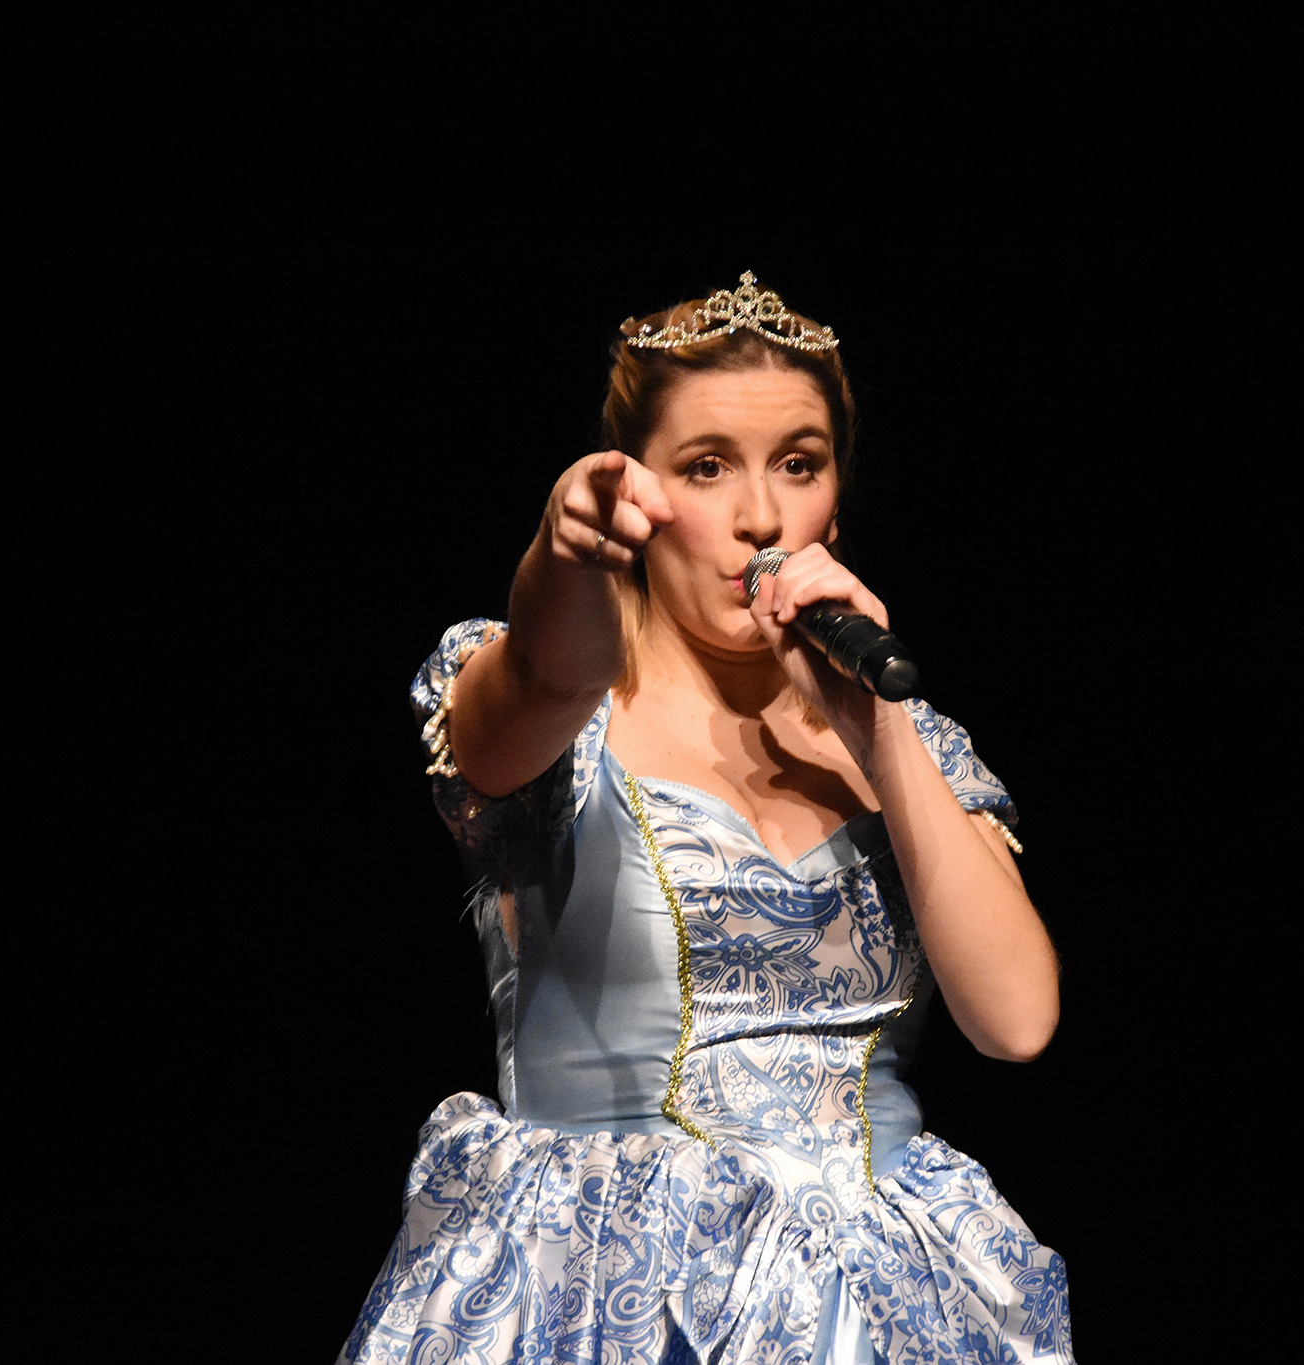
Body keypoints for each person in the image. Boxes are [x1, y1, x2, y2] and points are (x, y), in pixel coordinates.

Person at [345, 273, 1073, 1363]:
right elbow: (545, 670)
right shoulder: (573, 716)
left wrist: (879, 731)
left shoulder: (904, 740)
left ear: (836, 499)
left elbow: (1015, 1020)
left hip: (872, 1305)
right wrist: (565, 548)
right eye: (705, 466)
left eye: (799, 464)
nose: (760, 517)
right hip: (610, 1293)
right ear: (637, 498)